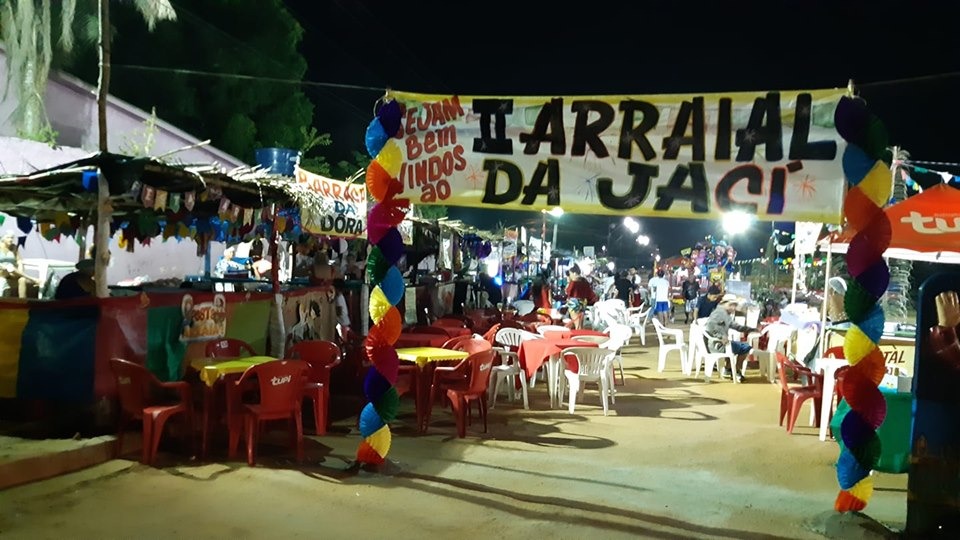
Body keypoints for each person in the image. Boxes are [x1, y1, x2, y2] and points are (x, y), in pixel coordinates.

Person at [704, 294, 756, 382]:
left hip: (716, 344)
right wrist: (721, 337)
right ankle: (735, 371)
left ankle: (728, 369)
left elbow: (735, 326)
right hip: (717, 345)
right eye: (731, 305)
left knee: (733, 345)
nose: (733, 307)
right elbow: (710, 326)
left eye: (735, 305)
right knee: (746, 347)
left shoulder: (721, 312)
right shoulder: (721, 313)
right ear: (724, 303)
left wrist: (750, 329)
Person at [309, 250, 339, 342]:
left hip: (316, 297)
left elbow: (308, 279)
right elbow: (337, 278)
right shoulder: (332, 269)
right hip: (329, 297)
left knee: (316, 319)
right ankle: (329, 340)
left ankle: (318, 341)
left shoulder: (312, 268)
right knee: (329, 319)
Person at [0, 232, 34, 298]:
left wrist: (20, 270)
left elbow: (19, 261)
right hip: (2, 271)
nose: (10, 239)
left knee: (22, 279)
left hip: (12, 272)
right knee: (8, 268)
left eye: (12, 238)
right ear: (3, 239)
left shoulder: (14, 247)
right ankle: (32, 279)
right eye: (8, 238)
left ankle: (22, 301)